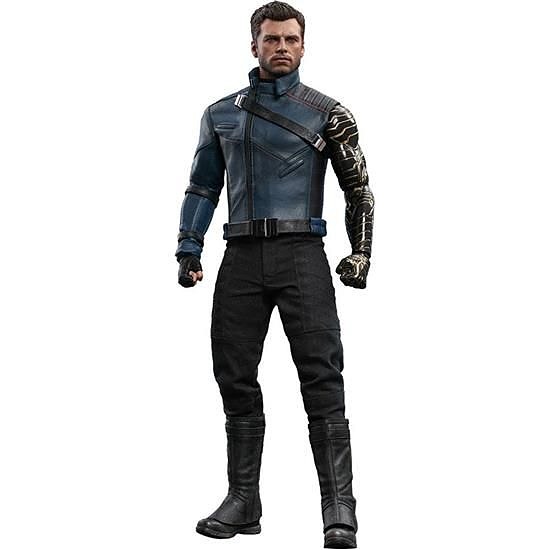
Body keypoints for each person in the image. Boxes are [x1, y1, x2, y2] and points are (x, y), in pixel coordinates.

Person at [175, 2, 374, 548]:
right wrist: (188, 246)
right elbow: (202, 186)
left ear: (303, 46)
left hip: (303, 254)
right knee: (233, 374)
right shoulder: (221, 114)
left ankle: (339, 506)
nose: (281, 47)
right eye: (271, 39)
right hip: (239, 256)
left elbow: (358, 189)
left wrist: (362, 252)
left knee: (322, 377)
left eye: (290, 39)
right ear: (254, 45)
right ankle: (243, 500)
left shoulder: (328, 113)